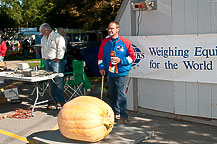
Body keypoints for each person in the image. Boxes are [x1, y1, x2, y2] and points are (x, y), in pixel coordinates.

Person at [98, 21, 135, 124]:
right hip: (110, 72)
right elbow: (100, 56)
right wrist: (101, 67)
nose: (110, 30)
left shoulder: (125, 42)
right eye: (109, 29)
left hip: (122, 72)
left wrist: (121, 60)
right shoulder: (105, 42)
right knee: (112, 93)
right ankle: (114, 113)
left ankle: (124, 116)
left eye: (112, 29)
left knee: (121, 93)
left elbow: (132, 57)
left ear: (117, 29)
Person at [39, 23, 66, 107]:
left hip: (55, 61)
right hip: (47, 61)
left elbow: (61, 47)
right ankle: (55, 100)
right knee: (51, 82)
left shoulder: (57, 36)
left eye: (43, 32)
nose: (42, 34)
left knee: (58, 82)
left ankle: (61, 101)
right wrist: (44, 58)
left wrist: (59, 58)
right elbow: (42, 48)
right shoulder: (43, 38)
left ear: (48, 30)